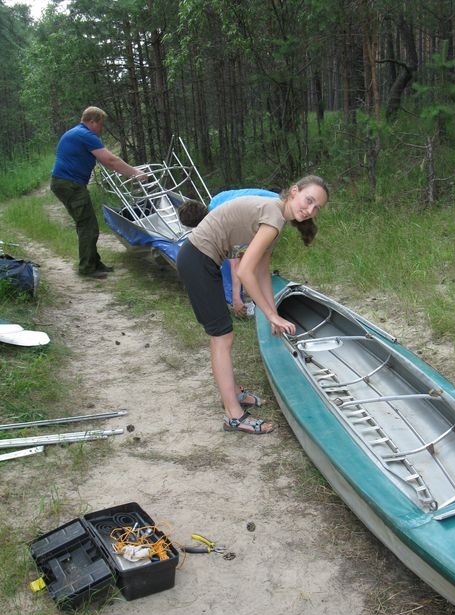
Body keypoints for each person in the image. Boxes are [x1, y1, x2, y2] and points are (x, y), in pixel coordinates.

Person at [176, 175, 329, 435]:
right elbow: (245, 272)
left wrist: (275, 314)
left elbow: (261, 272)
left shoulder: (276, 215)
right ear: (294, 192)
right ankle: (233, 415)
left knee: (223, 336)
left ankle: (234, 392)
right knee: (222, 337)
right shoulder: (274, 216)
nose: (310, 210)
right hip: (197, 260)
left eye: (317, 208)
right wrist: (270, 314)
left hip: (201, 259)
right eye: (309, 200)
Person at [50, 106, 146, 279]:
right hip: (69, 184)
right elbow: (110, 160)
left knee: (87, 224)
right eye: (101, 124)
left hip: (66, 183)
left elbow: (109, 163)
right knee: (88, 226)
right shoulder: (85, 135)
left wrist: (126, 171)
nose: (102, 129)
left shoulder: (78, 134)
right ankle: (87, 268)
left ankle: (94, 262)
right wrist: (135, 173)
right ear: (92, 122)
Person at [178, 188, 280, 316]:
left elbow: (236, 264)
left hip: (271, 211)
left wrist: (236, 299)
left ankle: (263, 304)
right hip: (276, 201)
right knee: (252, 258)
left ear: (199, 225)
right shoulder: (216, 199)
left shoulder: (220, 222)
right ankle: (266, 304)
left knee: (253, 264)